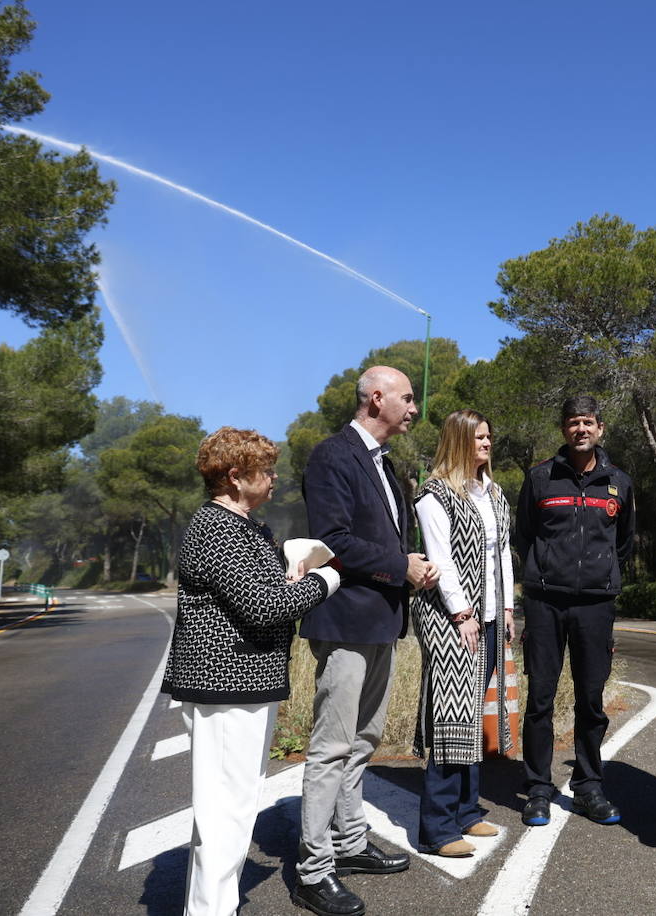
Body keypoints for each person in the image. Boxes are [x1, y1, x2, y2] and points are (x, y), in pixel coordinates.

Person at [162, 427, 343, 916]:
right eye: (265, 469)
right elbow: (264, 607)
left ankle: (214, 905)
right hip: (225, 686)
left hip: (243, 683)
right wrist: (327, 579)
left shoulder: (245, 528)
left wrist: (295, 573)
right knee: (226, 811)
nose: (275, 477)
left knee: (234, 807)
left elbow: (262, 595)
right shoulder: (216, 528)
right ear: (236, 476)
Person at [296, 366, 438, 916]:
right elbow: (331, 541)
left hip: (380, 621)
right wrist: (401, 566)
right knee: (331, 746)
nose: (414, 408)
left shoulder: (387, 464)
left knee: (363, 740)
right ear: (375, 398)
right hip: (346, 622)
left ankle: (350, 844)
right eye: (407, 398)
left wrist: (410, 567)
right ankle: (313, 869)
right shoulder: (333, 456)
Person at [515, 395, 635, 828]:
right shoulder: (541, 477)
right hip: (545, 602)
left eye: (587, 422)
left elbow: (624, 542)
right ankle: (538, 790)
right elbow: (525, 535)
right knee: (540, 700)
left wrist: (597, 577)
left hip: (596, 606)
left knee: (591, 700)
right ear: (563, 429)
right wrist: (544, 573)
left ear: (600, 429)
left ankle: (588, 787)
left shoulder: (619, 482)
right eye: (572, 423)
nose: (580, 429)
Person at [410, 409, 515, 857]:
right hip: (450, 617)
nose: (487, 444)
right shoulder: (435, 495)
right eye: (478, 438)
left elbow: (503, 553)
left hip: (490, 614)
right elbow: (441, 561)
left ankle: (468, 812)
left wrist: (507, 607)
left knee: (473, 714)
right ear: (458, 442)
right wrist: (462, 613)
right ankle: (437, 828)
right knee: (453, 715)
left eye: (489, 436)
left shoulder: (493, 493)